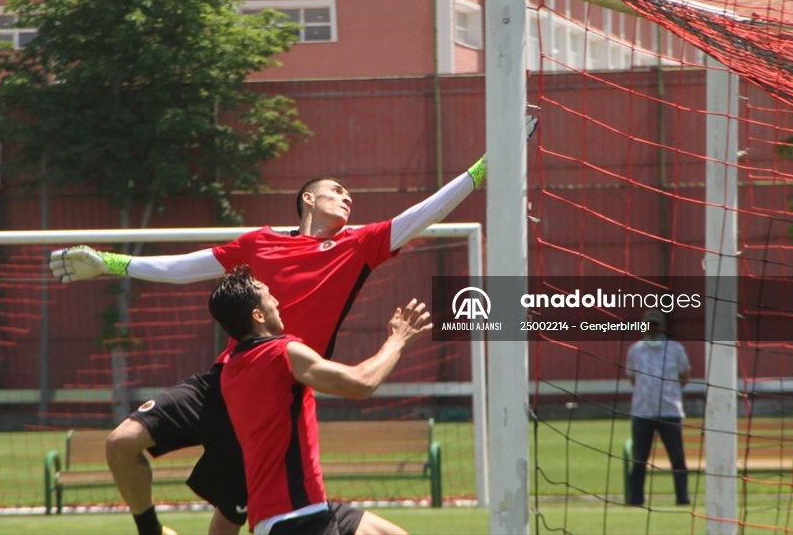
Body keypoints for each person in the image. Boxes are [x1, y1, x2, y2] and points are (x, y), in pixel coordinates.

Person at [48, 144, 518, 534]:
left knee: (230, 520)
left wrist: (479, 172)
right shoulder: (259, 243)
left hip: (279, 395)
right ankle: (150, 529)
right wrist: (111, 263)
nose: (346, 196)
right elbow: (186, 268)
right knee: (121, 442)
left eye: (348, 193)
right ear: (307, 200)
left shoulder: (358, 245)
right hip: (229, 379)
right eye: (335, 190)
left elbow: (420, 216)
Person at [210, 266, 432, 535]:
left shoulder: (230, 368)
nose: (277, 301)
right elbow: (362, 383)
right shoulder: (280, 354)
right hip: (297, 518)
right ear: (257, 315)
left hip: (299, 510)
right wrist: (397, 340)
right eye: (269, 296)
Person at [625, 309, 692, 507]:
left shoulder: (676, 349)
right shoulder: (635, 350)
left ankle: (682, 497)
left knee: (677, 458)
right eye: (649, 324)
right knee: (639, 459)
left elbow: (685, 375)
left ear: (661, 325)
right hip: (642, 411)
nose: (652, 328)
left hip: (670, 411)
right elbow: (632, 378)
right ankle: (636, 499)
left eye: (655, 323)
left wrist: (669, 391)